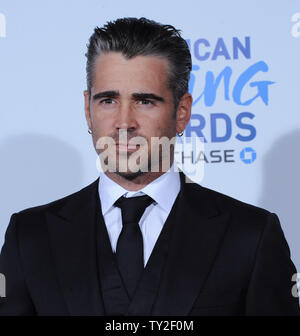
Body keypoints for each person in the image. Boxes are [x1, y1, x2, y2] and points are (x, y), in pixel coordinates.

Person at [0, 17, 299, 316]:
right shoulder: (30, 237)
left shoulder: (250, 235)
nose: (124, 122)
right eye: (108, 100)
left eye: (144, 101)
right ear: (87, 110)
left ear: (182, 113)